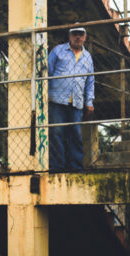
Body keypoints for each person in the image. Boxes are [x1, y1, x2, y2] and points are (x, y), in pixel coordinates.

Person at [48, 24, 94, 171]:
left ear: (85, 37)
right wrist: (44, 96)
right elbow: (47, 73)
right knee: (56, 133)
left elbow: (90, 81)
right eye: (75, 34)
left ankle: (76, 168)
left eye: (81, 34)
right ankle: (57, 168)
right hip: (57, 100)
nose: (78, 37)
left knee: (75, 134)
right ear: (69, 36)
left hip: (77, 102)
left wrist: (89, 102)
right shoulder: (58, 51)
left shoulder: (88, 57)